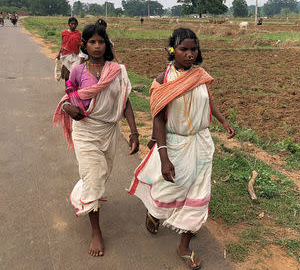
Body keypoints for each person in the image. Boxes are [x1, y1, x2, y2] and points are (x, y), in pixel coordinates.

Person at [127, 28, 235, 270]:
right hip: (175, 144)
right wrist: (163, 157)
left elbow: (209, 99)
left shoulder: (201, 76)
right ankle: (155, 213)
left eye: (193, 49)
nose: (189, 54)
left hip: (201, 143)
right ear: (172, 50)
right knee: (170, 189)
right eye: (184, 49)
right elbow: (158, 119)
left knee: (198, 193)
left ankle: (184, 245)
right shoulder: (162, 81)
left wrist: (223, 121)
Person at [53, 24, 140, 257]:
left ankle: (83, 193)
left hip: (109, 132)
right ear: (85, 45)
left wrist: (133, 132)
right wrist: (69, 109)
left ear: (107, 44)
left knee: (100, 174)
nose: (97, 46)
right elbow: (68, 98)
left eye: (101, 42)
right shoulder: (77, 72)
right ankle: (95, 231)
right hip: (85, 131)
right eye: (92, 42)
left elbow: (125, 102)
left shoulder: (117, 71)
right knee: (93, 177)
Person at [57, 17, 82, 82]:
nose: (73, 25)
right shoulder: (64, 33)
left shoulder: (79, 34)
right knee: (66, 74)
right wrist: (59, 54)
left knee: (74, 73)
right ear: (69, 24)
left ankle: (73, 88)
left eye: (75, 24)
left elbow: (80, 44)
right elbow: (62, 44)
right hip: (65, 56)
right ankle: (68, 88)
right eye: (72, 24)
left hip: (75, 56)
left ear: (77, 25)